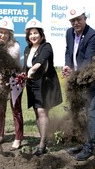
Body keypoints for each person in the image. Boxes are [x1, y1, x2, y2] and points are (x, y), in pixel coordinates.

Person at [62, 7, 95, 161]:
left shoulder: (92, 36)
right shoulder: (69, 33)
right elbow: (68, 51)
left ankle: (89, 146)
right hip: (78, 81)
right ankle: (81, 142)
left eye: (79, 19)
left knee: (91, 113)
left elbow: (87, 62)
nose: (76, 23)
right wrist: (67, 66)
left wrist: (74, 76)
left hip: (92, 81)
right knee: (80, 113)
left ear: (85, 18)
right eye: (73, 20)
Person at [23, 17, 63, 156]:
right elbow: (24, 68)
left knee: (42, 112)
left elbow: (42, 59)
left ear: (41, 34)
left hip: (44, 84)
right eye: (30, 33)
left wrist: (34, 68)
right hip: (32, 84)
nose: (33, 36)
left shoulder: (46, 46)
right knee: (37, 112)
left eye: (36, 33)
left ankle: (42, 144)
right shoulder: (27, 50)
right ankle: (44, 139)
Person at [0, 17, 24, 150]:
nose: (2, 35)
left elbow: (8, 63)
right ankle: (0, 135)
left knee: (15, 109)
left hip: (15, 78)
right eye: (0, 32)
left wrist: (4, 79)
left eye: (5, 32)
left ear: (10, 34)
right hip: (1, 78)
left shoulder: (15, 46)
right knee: (0, 108)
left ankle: (18, 138)